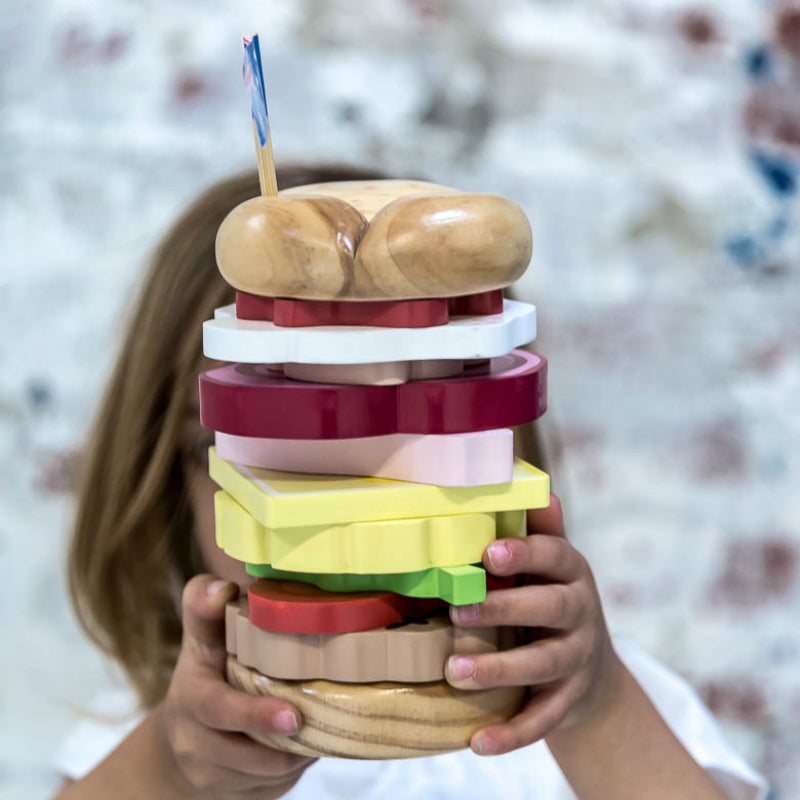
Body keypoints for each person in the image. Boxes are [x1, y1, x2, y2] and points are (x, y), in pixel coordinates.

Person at [54, 166, 768, 800]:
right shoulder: (163, 731)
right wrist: (172, 776)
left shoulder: (606, 700)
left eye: (420, 441)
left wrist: (596, 708)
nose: (355, 506)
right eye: (245, 447)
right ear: (167, 480)